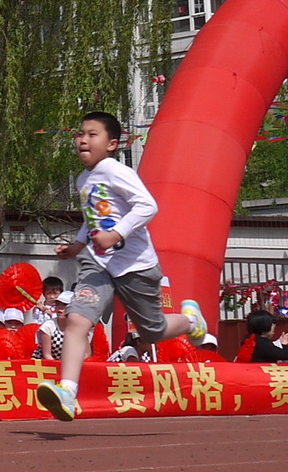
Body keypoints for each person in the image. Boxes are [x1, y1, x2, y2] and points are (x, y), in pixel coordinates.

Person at [44, 112, 210, 421]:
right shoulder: (83, 179)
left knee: (153, 329)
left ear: (112, 144)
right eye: (80, 134)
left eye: (92, 135)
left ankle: (190, 321)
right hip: (97, 263)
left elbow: (148, 205)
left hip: (135, 266)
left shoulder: (115, 171)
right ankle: (67, 391)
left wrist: (116, 234)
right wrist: (79, 245)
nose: (83, 139)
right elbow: (92, 218)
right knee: (78, 318)